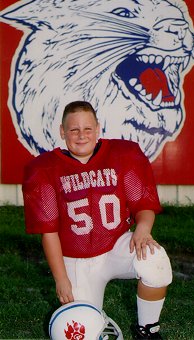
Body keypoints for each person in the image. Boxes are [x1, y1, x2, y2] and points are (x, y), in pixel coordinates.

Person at [22, 101, 172, 339]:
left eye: (87, 129)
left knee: (155, 261)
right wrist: (61, 279)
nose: (81, 136)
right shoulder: (45, 169)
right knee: (78, 329)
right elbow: (48, 232)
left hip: (116, 246)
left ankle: (147, 329)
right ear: (62, 132)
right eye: (74, 130)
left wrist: (143, 228)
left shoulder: (123, 155)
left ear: (98, 128)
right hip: (76, 260)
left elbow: (143, 205)